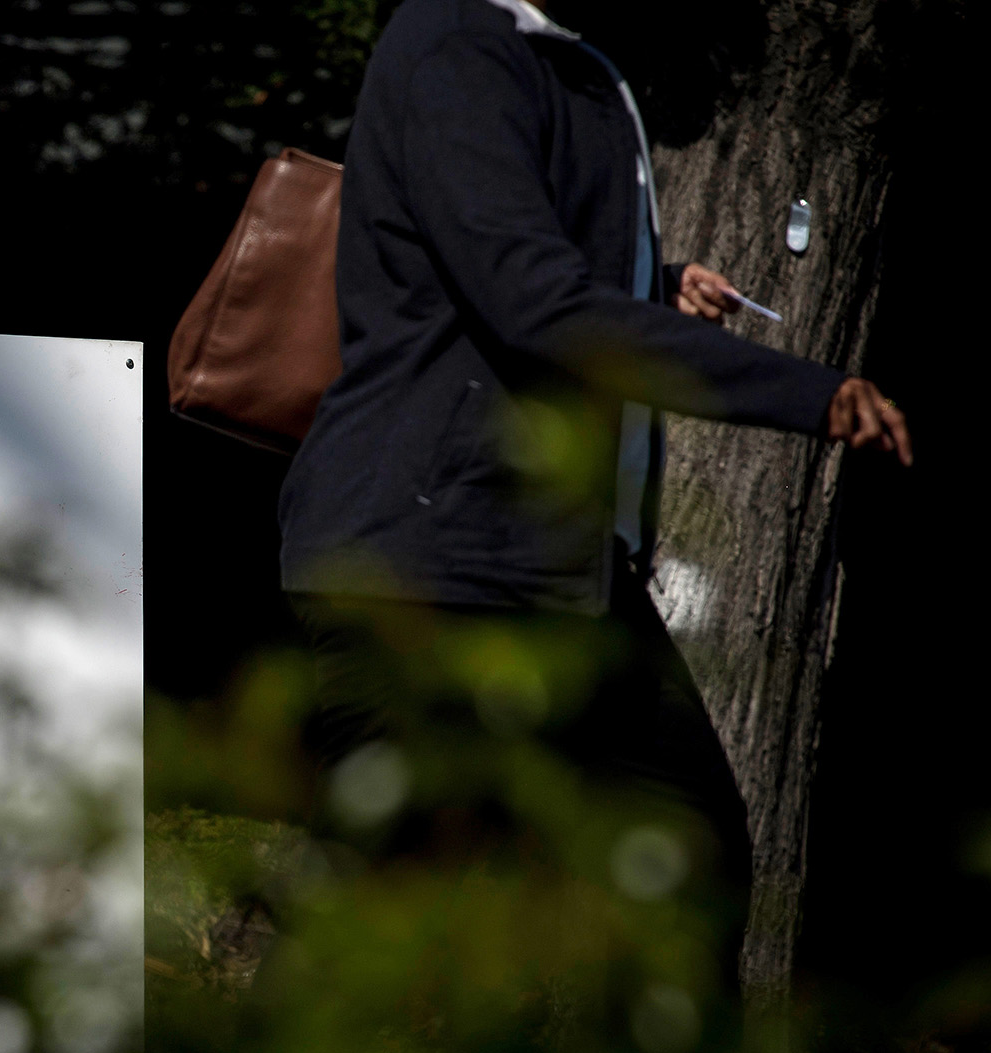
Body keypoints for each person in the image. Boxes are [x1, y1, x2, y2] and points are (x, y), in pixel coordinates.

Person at [277, 0, 912, 966]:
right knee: (401, 936)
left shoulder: (567, 60)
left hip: (549, 565)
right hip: (426, 558)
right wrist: (808, 396)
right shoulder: (455, 41)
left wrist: (655, 280)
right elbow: (531, 300)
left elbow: (509, 259)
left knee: (685, 860)